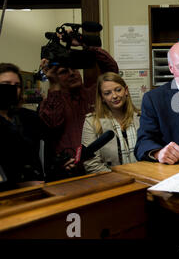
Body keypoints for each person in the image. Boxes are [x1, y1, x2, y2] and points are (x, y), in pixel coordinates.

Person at [39, 43, 118, 180]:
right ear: (55, 77)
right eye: (64, 72)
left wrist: (86, 45)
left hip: (99, 168)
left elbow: (111, 71)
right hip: (69, 174)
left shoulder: (93, 93)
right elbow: (53, 124)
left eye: (74, 69)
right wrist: (53, 84)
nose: (71, 73)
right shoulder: (50, 103)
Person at [81, 72, 140, 174]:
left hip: (144, 177)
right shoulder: (92, 122)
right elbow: (91, 163)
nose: (115, 96)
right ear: (102, 98)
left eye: (118, 90)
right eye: (107, 93)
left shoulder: (142, 117)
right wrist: (119, 179)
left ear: (125, 91)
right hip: (112, 181)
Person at [0, 63, 45, 191]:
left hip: (35, 189)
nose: (12, 89)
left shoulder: (29, 117)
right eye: (6, 84)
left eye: (17, 85)